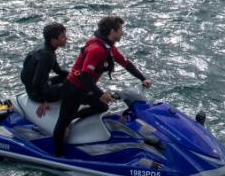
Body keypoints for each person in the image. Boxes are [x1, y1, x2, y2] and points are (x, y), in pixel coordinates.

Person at [52, 16, 153, 157]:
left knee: (102, 107)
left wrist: (143, 78)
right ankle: (57, 155)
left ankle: (71, 117)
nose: (122, 32)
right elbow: (85, 76)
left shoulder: (108, 47)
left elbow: (126, 63)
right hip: (73, 89)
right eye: (120, 30)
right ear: (112, 31)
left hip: (86, 88)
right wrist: (101, 94)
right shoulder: (96, 49)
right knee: (62, 123)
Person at [20, 22, 69, 117]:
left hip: (33, 89)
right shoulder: (47, 56)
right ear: (53, 40)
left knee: (71, 79)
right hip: (37, 94)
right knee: (73, 87)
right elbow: (36, 82)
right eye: (62, 37)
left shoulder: (45, 48)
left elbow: (58, 70)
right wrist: (43, 101)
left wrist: (75, 75)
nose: (66, 38)